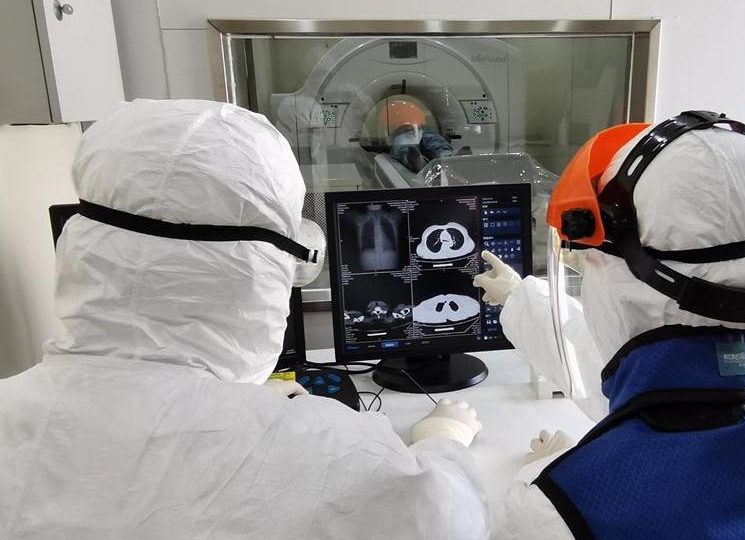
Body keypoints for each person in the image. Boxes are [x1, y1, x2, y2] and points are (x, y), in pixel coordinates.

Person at [0, 99, 488, 539]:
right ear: (260, 269)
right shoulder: (324, 455)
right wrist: (443, 440)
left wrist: (233, 400)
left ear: (86, 244)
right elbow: (447, 520)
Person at [474, 111, 745, 539]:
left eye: (588, 265)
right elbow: (664, 395)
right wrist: (522, 298)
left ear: (624, 279)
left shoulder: (561, 513)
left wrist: (550, 477)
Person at [382, 96, 460, 172]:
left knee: (406, 146)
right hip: (416, 129)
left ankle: (449, 158)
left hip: (412, 130)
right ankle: (448, 157)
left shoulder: (392, 110)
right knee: (432, 142)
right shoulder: (409, 107)